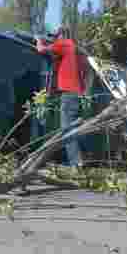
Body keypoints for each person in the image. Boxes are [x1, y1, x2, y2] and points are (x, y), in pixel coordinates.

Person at [36, 26, 85, 168]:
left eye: (56, 36)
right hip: (76, 93)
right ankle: (77, 161)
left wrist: (38, 40)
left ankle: (76, 163)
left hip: (69, 93)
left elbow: (41, 49)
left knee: (67, 129)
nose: (55, 39)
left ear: (62, 34)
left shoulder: (64, 43)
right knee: (72, 128)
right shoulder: (75, 49)